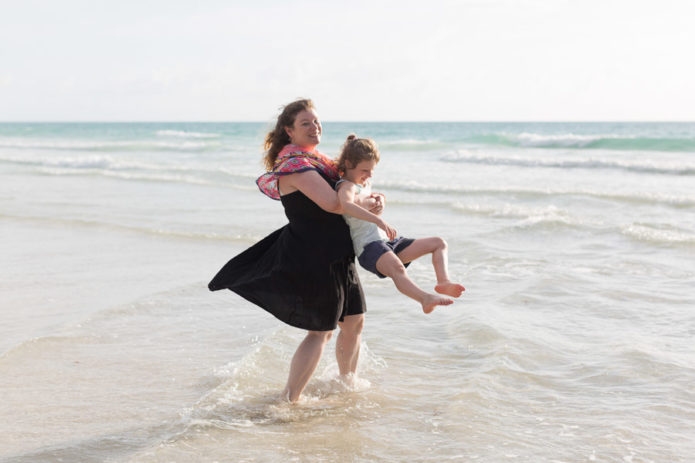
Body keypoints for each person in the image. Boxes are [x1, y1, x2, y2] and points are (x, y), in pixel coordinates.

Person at [208, 99, 384, 403]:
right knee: (321, 331)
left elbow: (348, 192)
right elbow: (332, 203)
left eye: (316, 122)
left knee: (354, 322)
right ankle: (290, 400)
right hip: (315, 255)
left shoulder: (318, 160)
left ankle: (347, 384)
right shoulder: (295, 166)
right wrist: (365, 206)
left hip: (338, 253)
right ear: (289, 131)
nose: (315, 128)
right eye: (306, 123)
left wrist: (370, 200)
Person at [335, 134, 465, 314]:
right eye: (365, 170)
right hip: (368, 248)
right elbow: (346, 205)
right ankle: (424, 299)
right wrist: (378, 219)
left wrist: (381, 200)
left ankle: (443, 281)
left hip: (388, 243)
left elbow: (371, 199)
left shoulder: (364, 183)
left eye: (372, 170)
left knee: (438, 243)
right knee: (397, 268)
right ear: (349, 164)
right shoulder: (346, 186)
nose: (369, 175)